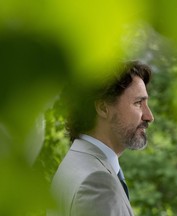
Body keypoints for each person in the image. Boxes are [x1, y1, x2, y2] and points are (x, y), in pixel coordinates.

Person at [48, 61, 154, 216]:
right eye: (138, 103)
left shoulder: (74, 163)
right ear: (103, 108)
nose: (149, 116)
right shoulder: (97, 182)